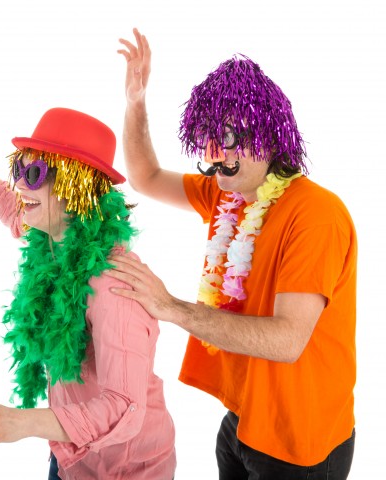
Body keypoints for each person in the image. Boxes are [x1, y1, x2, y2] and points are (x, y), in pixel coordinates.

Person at [108, 29, 357, 479]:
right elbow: (145, 177)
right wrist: (135, 103)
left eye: (227, 137)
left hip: (299, 443)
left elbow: (287, 341)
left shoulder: (317, 214)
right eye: (206, 136)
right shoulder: (230, 193)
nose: (213, 154)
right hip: (242, 421)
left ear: (269, 136)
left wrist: (170, 307)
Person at [0, 93, 176, 480]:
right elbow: (7, 206)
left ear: (77, 187)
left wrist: (22, 423)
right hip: (71, 453)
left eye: (36, 175)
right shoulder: (54, 238)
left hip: (126, 469)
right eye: (19, 172)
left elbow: (124, 407)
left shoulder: (114, 285)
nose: (22, 186)